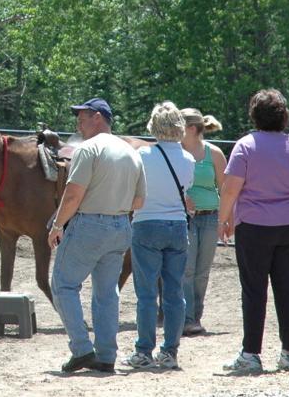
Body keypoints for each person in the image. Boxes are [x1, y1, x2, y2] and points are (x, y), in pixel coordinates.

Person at [219, 88, 289, 375]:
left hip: (254, 226)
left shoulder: (246, 146)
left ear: (254, 115)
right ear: (284, 116)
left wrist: (223, 219)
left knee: (254, 289)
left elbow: (231, 189)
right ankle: (288, 352)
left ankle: (251, 353)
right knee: (287, 289)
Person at [48, 98, 145, 374]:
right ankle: (106, 355)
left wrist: (57, 225)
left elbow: (73, 195)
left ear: (98, 117)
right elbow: (139, 201)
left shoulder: (88, 149)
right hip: (121, 226)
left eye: (83, 117)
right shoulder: (132, 153)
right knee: (106, 293)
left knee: (63, 285)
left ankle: (81, 348)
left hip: (88, 225)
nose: (78, 123)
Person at [123, 102, 195, 370]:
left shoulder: (143, 155)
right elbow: (186, 191)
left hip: (146, 224)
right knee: (174, 292)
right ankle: (170, 351)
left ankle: (144, 351)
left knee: (146, 293)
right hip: (177, 226)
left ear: (154, 126)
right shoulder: (189, 159)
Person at [180, 108, 226, 337]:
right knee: (187, 269)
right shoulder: (176, 153)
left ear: (191, 129)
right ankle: (187, 318)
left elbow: (225, 188)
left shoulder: (214, 154)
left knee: (202, 271)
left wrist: (226, 219)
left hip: (210, 216)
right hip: (185, 217)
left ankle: (195, 316)